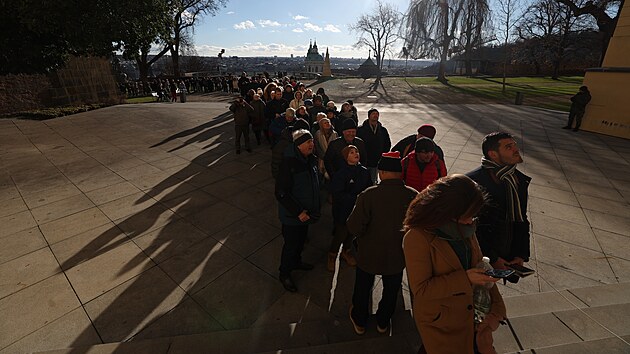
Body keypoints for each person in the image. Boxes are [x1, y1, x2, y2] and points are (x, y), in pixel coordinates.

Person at [403, 174, 507, 354]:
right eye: (469, 215)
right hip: (443, 325)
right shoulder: (417, 237)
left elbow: (480, 265)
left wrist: (497, 310)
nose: (473, 220)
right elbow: (421, 290)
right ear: (449, 212)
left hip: (474, 320)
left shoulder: (467, 228)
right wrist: (465, 278)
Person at [347, 152, 418, 335]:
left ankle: (359, 320)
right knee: (391, 290)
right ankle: (383, 321)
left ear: (382, 172)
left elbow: (354, 226)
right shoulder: (413, 196)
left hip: (369, 253)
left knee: (363, 288)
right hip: (397, 255)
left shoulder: (369, 195)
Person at [466, 132, 531, 279]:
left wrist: (520, 254)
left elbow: (521, 219)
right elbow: (470, 226)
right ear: (493, 154)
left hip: (507, 256)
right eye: (509, 147)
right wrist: (492, 258)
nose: (516, 149)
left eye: (515, 145)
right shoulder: (473, 182)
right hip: (480, 257)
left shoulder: (518, 180)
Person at [275, 129, 321, 292]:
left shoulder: (310, 160)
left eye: (312, 141)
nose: (312, 144)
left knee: (300, 242)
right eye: (308, 142)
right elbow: (281, 193)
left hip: (306, 214)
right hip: (293, 216)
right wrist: (298, 212)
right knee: (291, 245)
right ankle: (284, 273)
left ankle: (296, 262)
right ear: (298, 145)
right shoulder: (289, 163)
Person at [328, 145, 372, 271]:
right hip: (343, 210)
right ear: (345, 157)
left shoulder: (364, 171)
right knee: (341, 233)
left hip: (358, 209)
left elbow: (368, 188)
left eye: (356, 151)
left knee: (352, 232)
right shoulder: (341, 174)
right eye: (351, 152)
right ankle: (332, 254)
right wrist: (356, 198)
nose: (355, 154)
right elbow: (338, 194)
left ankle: (346, 251)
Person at [357, 108, 391, 183]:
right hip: (364, 159)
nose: (375, 116)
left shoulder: (382, 130)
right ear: (369, 116)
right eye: (373, 114)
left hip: (376, 160)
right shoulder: (360, 130)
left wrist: (382, 154)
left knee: (373, 179)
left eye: (377, 114)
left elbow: (387, 143)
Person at [314, 117, 338, 181]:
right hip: (321, 158)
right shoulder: (318, 134)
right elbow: (317, 146)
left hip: (332, 158)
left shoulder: (335, 134)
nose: (327, 124)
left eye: (328, 122)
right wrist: (323, 156)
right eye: (325, 123)